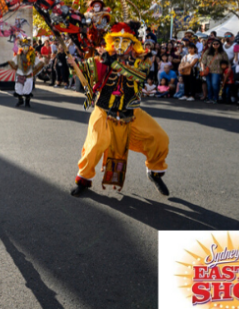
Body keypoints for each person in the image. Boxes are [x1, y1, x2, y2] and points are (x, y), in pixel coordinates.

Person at [67, 21, 170, 197]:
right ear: (111, 42)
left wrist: (114, 64)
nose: (121, 44)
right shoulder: (102, 58)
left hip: (132, 112)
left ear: (132, 43)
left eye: (125, 41)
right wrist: (73, 66)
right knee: (96, 144)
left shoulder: (142, 60)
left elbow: (139, 76)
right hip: (104, 111)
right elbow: (85, 77)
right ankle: (83, 178)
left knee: (159, 138)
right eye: (117, 40)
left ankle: (154, 171)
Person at [8, 38, 44, 107]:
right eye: (24, 46)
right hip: (20, 75)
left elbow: (39, 63)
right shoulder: (18, 56)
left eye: (27, 46)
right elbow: (13, 62)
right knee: (18, 88)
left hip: (28, 75)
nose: (25, 48)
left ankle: (27, 102)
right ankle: (20, 100)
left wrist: (38, 67)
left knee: (28, 88)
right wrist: (10, 63)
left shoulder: (33, 56)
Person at [200, 39, 229, 104]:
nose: (215, 45)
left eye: (217, 44)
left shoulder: (222, 53)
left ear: (220, 45)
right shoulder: (207, 51)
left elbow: (227, 62)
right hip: (208, 71)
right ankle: (210, 98)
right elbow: (203, 61)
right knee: (209, 85)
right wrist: (203, 69)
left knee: (215, 84)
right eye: (214, 44)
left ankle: (216, 98)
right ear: (212, 45)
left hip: (217, 71)